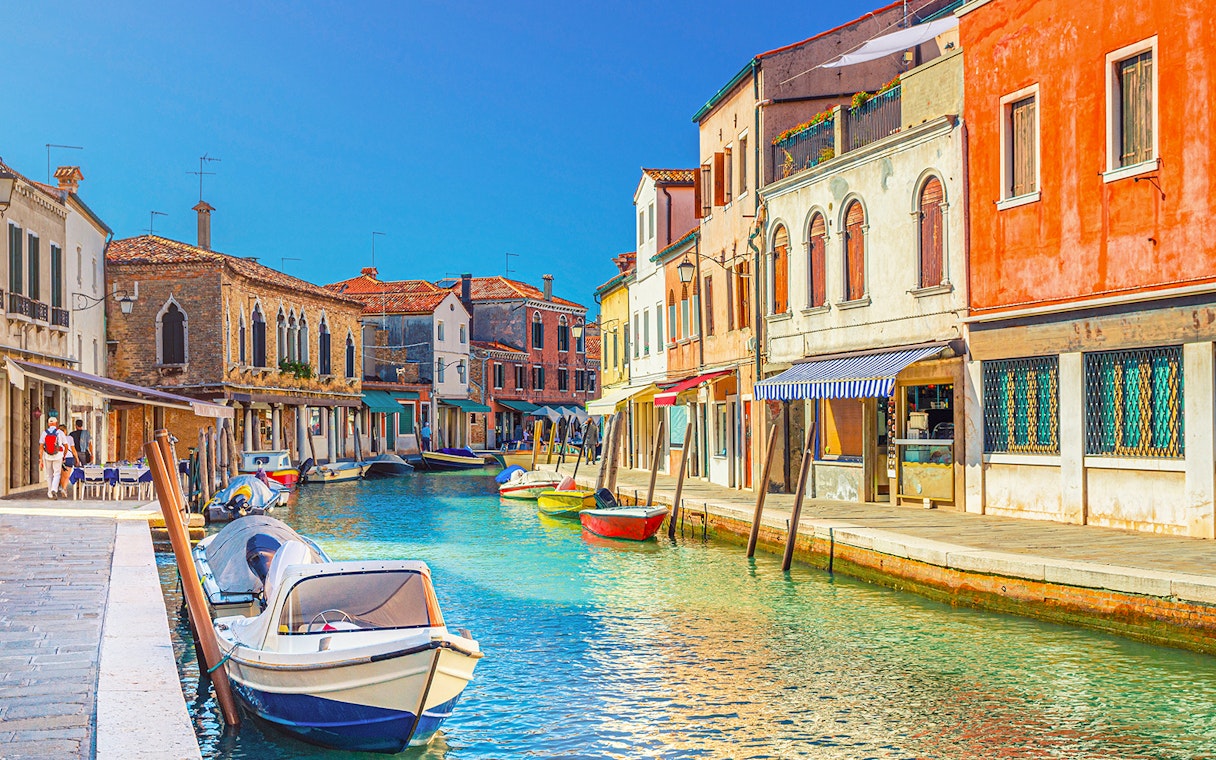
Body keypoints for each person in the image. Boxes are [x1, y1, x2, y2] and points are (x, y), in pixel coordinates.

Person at [40, 415, 73, 500]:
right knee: (57, 473)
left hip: (47, 456)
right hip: (58, 455)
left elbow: (41, 447)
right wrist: (64, 455)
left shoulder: (44, 433)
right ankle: (54, 489)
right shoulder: (60, 433)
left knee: (49, 474)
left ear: (48, 424)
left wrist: (41, 459)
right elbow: (66, 446)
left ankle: (50, 492)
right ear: (56, 424)